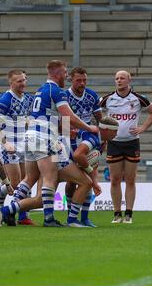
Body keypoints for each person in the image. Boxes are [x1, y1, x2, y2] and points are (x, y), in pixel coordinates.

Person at [13, 60, 99, 227]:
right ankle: (48, 219)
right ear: (58, 74)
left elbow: (48, 117)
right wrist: (90, 128)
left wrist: (64, 129)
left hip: (31, 136)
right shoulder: (57, 91)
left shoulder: (40, 90)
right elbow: (70, 117)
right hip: (45, 138)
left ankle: (13, 211)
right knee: (50, 179)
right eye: (65, 73)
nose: (66, 76)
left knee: (29, 178)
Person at [0, 116, 119, 227]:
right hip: (58, 159)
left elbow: (85, 160)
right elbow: (78, 155)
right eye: (115, 131)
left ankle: (5, 211)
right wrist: (89, 171)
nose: (116, 134)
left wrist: (93, 178)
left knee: (40, 200)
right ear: (106, 130)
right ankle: (72, 220)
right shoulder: (93, 138)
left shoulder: (100, 141)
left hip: (54, 156)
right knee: (86, 182)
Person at [100, 70, 152, 224]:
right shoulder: (107, 99)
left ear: (129, 81)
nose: (119, 81)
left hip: (132, 142)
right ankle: (117, 213)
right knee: (114, 179)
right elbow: (96, 115)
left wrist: (143, 128)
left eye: (122, 78)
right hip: (114, 143)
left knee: (130, 179)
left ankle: (129, 214)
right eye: (116, 78)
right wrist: (104, 134)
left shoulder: (138, 99)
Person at [0, 69, 34, 225]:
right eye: (19, 81)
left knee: (27, 181)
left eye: (24, 80)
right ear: (11, 83)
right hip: (8, 144)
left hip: (23, 143)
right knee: (14, 182)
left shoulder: (28, 99)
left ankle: (23, 216)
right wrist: (5, 143)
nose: (23, 83)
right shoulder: (5, 100)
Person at [64, 66, 103, 227]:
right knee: (72, 181)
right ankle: (70, 213)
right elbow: (59, 119)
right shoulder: (64, 96)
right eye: (78, 80)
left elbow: (100, 118)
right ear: (71, 79)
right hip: (68, 139)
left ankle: (84, 217)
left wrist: (103, 139)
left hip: (88, 136)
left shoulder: (92, 95)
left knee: (89, 175)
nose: (82, 83)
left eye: (84, 80)